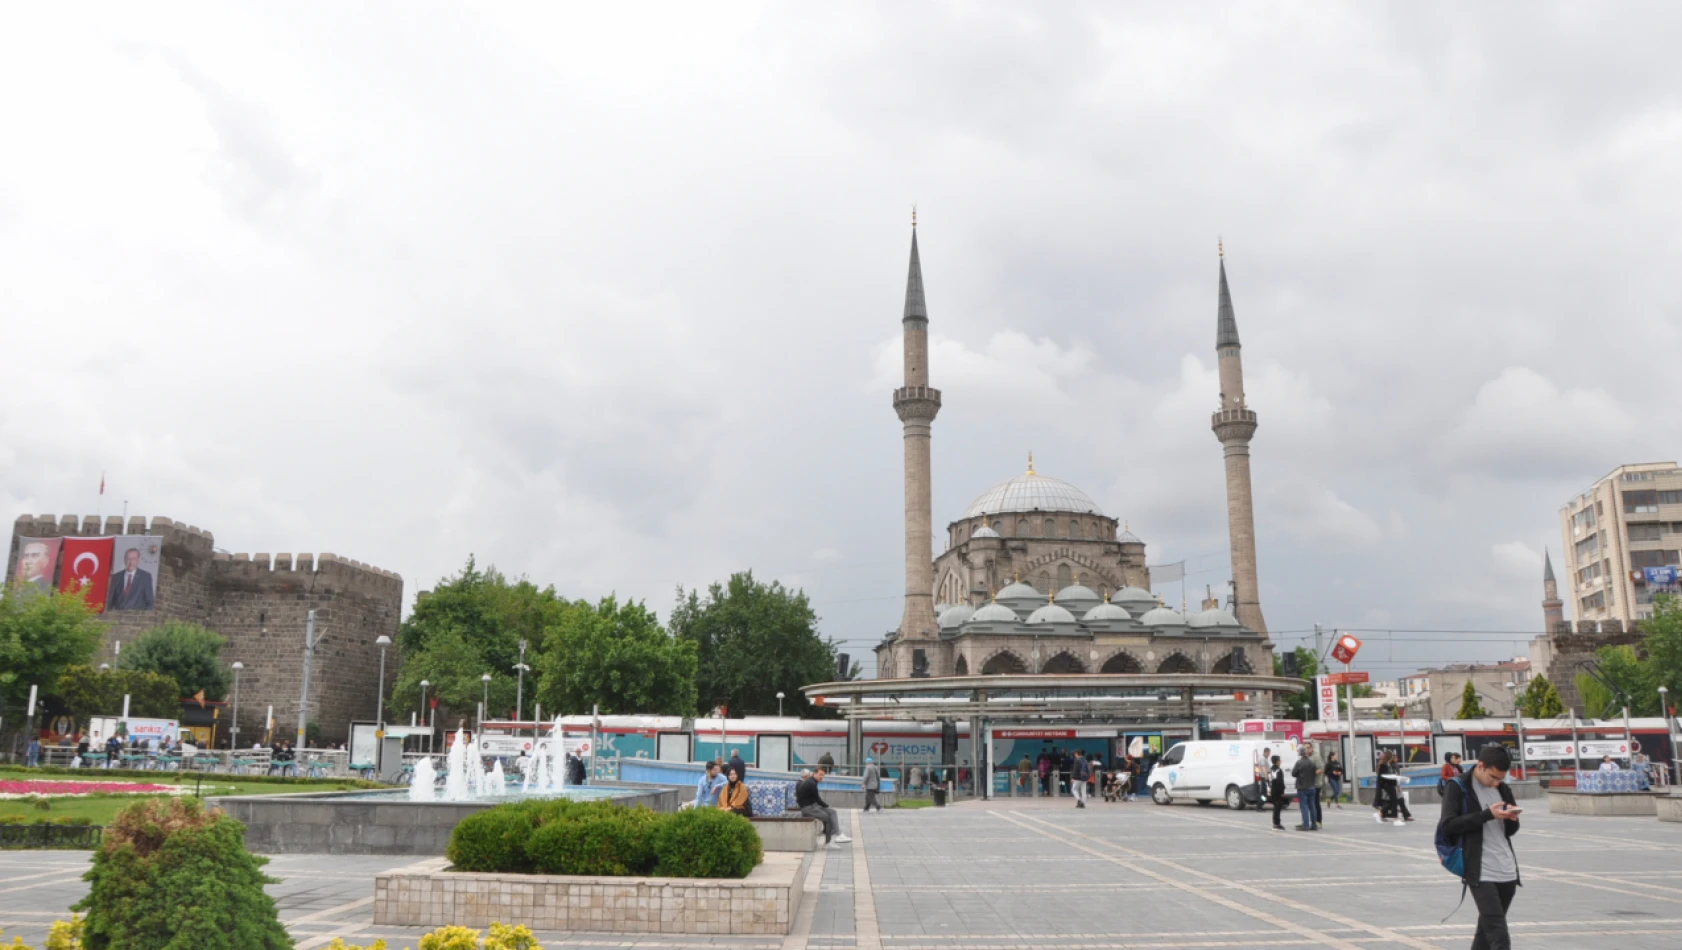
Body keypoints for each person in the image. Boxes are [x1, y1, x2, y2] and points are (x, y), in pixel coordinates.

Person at [1439, 744, 1522, 950]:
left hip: (1506, 870)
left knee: (1485, 934)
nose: (1495, 783)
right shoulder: (1458, 787)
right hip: (1480, 870)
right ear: (1481, 765)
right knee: (1499, 936)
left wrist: (1511, 818)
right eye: (1493, 777)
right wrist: (1488, 815)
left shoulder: (1503, 789)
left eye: (1500, 779)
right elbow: (1448, 826)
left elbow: (1509, 832)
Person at [795, 767, 850, 847]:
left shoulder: (812, 781)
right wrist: (826, 806)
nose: (822, 777)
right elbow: (817, 799)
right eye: (820, 775)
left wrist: (827, 807)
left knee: (832, 812)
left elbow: (816, 799)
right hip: (807, 808)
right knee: (827, 818)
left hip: (813, 806)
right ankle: (828, 842)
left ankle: (839, 834)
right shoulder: (811, 783)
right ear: (815, 773)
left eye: (823, 775)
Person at [106, 546, 156, 611]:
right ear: (125, 560)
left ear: (138, 560)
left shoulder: (145, 577)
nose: (131, 562)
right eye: (128, 559)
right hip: (118, 618)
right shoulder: (116, 577)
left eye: (133, 559)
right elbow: (110, 602)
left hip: (137, 618)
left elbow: (150, 602)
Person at [1374, 750, 1411, 825]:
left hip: (1390, 785)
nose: (1393, 758)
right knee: (1394, 801)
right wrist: (1394, 779)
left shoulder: (1386, 765)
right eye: (1392, 757)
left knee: (1392, 801)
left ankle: (1381, 814)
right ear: (1389, 757)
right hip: (1388, 785)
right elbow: (1384, 777)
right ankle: (1395, 819)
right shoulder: (1383, 765)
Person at [1291, 746, 1319, 831]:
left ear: (1300, 753)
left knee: (1304, 807)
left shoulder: (1299, 763)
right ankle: (1314, 825)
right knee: (1312, 806)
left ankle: (1305, 825)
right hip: (1312, 787)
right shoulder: (1311, 762)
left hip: (1302, 787)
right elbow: (1315, 773)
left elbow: (1293, 773)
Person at [1268, 755, 1288, 830]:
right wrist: (1282, 791)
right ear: (1277, 761)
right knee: (1278, 807)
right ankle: (1277, 823)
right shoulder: (1278, 770)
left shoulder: (1271, 770)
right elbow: (1280, 782)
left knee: (1275, 807)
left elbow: (1269, 780)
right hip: (1278, 791)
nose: (1280, 761)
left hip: (1273, 790)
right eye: (1279, 760)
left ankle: (1275, 822)